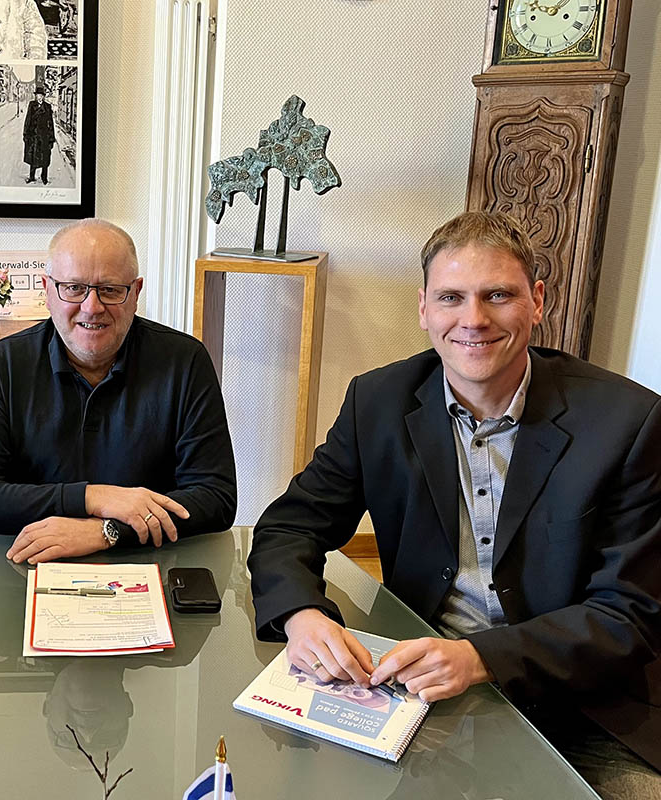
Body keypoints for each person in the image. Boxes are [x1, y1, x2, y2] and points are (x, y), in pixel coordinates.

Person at [248, 211, 661, 798]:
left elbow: (630, 615)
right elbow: (290, 525)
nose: (474, 319)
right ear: (424, 308)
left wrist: (481, 657)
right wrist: (302, 615)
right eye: (451, 297)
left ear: (536, 301)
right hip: (422, 694)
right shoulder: (379, 402)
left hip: (584, 703)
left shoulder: (629, 422)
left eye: (498, 295)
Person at [0, 218, 236, 564]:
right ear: (47, 290)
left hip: (146, 563)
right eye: (73, 288)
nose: (91, 307)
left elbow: (215, 498)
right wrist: (93, 498)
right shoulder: (1, 365)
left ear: (136, 293)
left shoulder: (185, 362)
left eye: (111, 290)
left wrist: (106, 532)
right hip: (24, 564)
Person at [23, 84, 55, 185]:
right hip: (34, 136)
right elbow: (28, 120)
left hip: (44, 136)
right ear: (35, 96)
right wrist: (25, 134)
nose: (39, 97)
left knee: (45, 157)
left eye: (41, 95)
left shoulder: (47, 106)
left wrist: (51, 138)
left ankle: (44, 177)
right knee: (33, 157)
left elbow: (50, 123)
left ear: (43, 96)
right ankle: (32, 177)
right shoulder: (32, 105)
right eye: (37, 95)